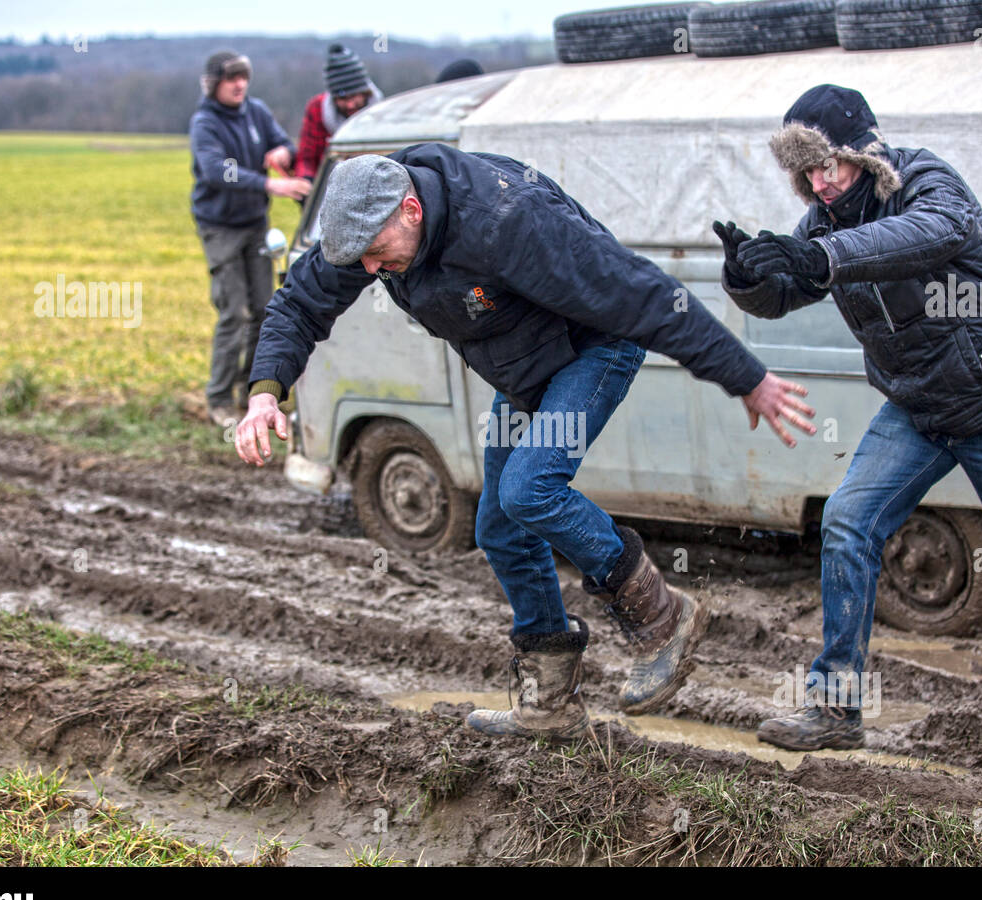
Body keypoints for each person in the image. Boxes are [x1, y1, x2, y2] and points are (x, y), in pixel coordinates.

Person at [236, 145, 816, 740]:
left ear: (411, 210)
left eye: (378, 256)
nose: (369, 271)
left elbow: (644, 294)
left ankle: (663, 615)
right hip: (525, 367)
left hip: (596, 347)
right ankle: (551, 705)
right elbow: (300, 303)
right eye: (359, 260)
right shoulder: (368, 226)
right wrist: (264, 393)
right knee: (498, 526)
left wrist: (746, 378)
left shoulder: (507, 221)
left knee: (528, 489)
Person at [720, 84, 982, 749]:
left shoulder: (925, 182)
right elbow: (787, 288)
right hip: (918, 408)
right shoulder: (821, 226)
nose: (819, 183)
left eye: (830, 164)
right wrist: (749, 278)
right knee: (848, 522)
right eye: (806, 171)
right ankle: (835, 710)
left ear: (865, 153)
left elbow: (929, 235)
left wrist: (820, 258)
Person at [190, 50, 310, 426]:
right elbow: (216, 171)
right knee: (234, 313)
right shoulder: (205, 122)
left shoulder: (256, 112)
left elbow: (286, 145)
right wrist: (270, 183)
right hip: (221, 228)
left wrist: (284, 150)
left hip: (255, 225)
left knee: (264, 310)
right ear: (214, 84)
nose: (240, 84)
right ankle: (219, 399)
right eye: (231, 78)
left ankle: (253, 394)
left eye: (244, 77)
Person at [294, 44, 383, 181]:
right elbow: (307, 158)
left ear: (365, 92)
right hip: (329, 187)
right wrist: (306, 181)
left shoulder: (383, 112)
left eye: (354, 96)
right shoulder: (317, 109)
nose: (350, 104)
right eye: (343, 98)